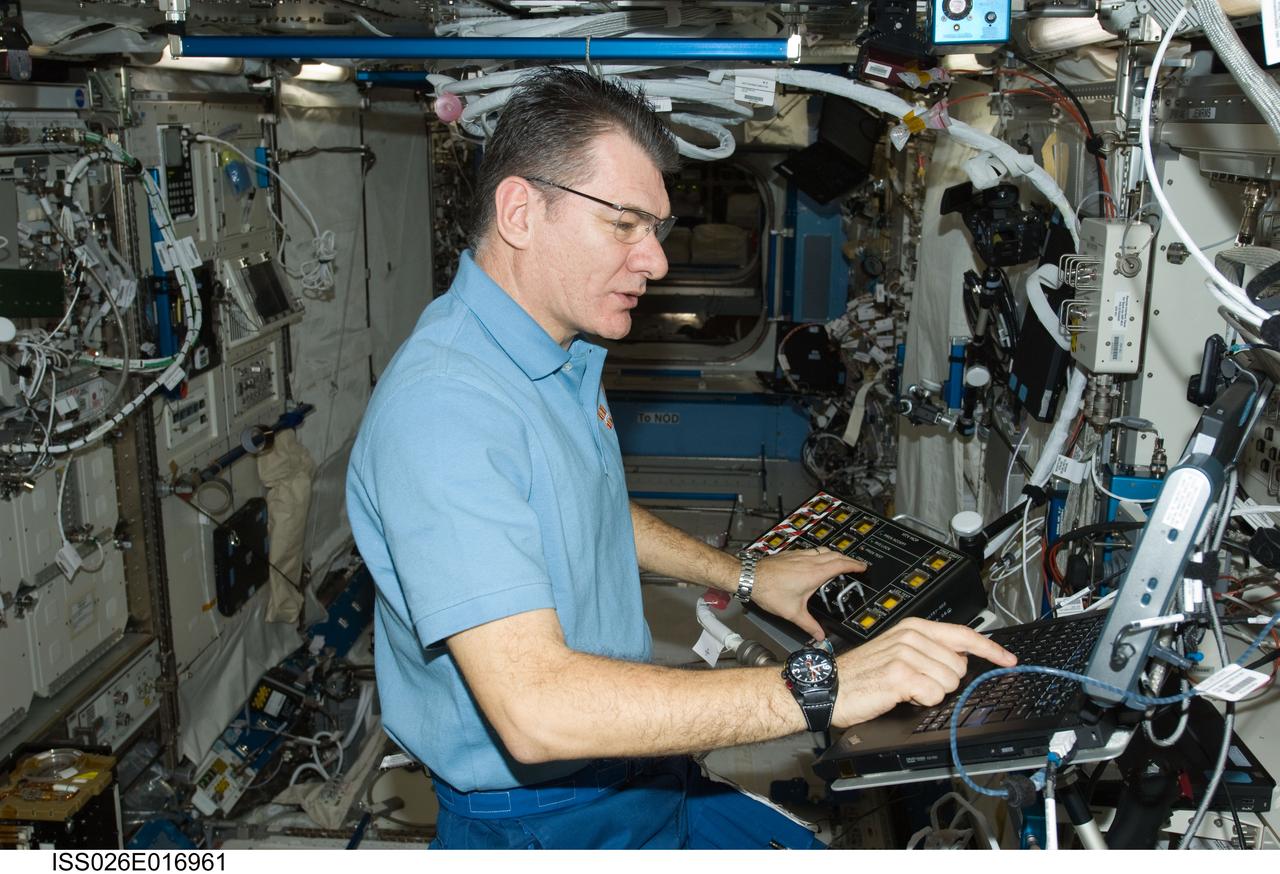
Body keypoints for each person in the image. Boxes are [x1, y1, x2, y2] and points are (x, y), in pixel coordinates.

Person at [345, 67, 1015, 849]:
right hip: (548, 817)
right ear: (522, 212)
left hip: (633, 770)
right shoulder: (447, 409)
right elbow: (536, 712)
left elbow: (585, 506)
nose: (657, 262)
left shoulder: (549, 355)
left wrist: (747, 576)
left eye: (656, 229)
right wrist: (822, 685)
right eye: (625, 224)